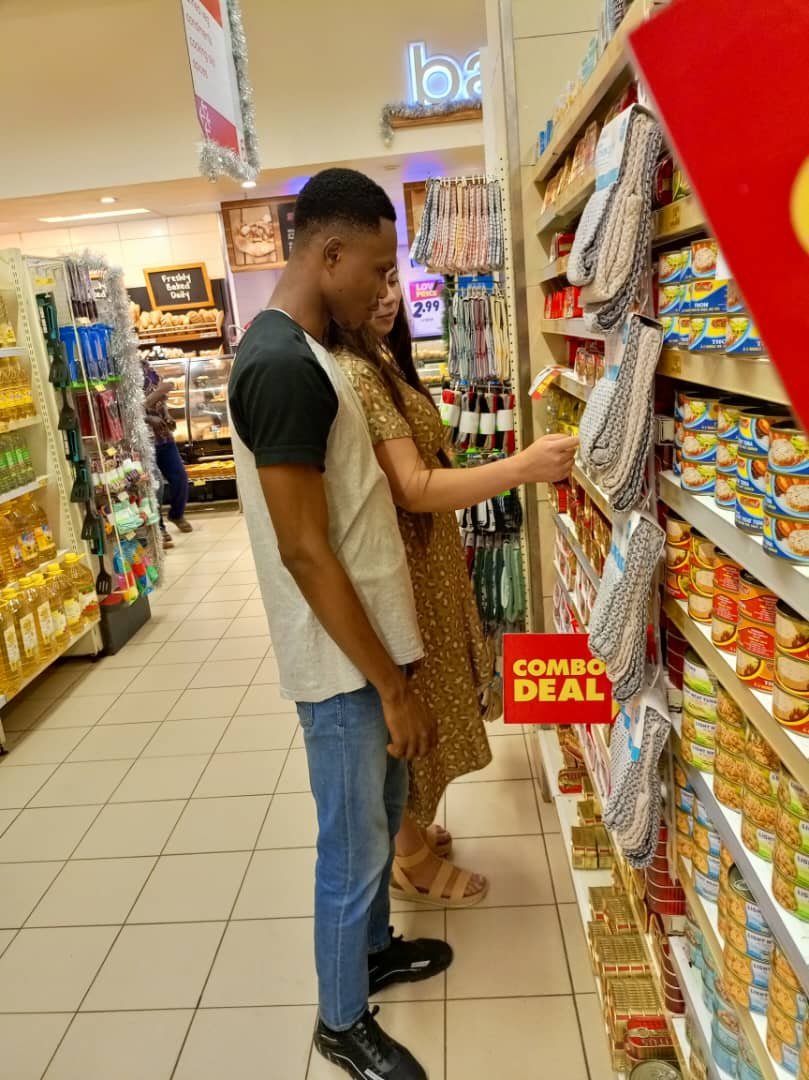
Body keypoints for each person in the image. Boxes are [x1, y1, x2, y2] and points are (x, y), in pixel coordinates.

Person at [227, 168, 451, 1080]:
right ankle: (340, 1019)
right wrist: (389, 686)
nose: (384, 288)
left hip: (372, 647)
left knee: (383, 811)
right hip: (341, 667)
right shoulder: (280, 366)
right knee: (352, 846)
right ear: (328, 253)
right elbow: (304, 551)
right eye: (378, 267)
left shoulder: (311, 351)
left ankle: (370, 952)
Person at [332, 268, 578, 906]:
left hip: (426, 563)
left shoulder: (379, 357)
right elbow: (413, 487)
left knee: (433, 696)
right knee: (413, 706)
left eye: (392, 278)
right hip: (407, 568)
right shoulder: (356, 370)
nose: (387, 294)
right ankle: (408, 857)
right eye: (373, 278)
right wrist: (521, 466)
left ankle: (411, 832)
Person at [141, 357, 192, 539]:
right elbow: (131, 410)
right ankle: (159, 527)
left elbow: (161, 402)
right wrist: (149, 417)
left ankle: (177, 514)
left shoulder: (151, 372)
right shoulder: (125, 377)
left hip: (164, 438)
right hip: (145, 441)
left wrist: (168, 416)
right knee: (157, 485)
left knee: (180, 478)